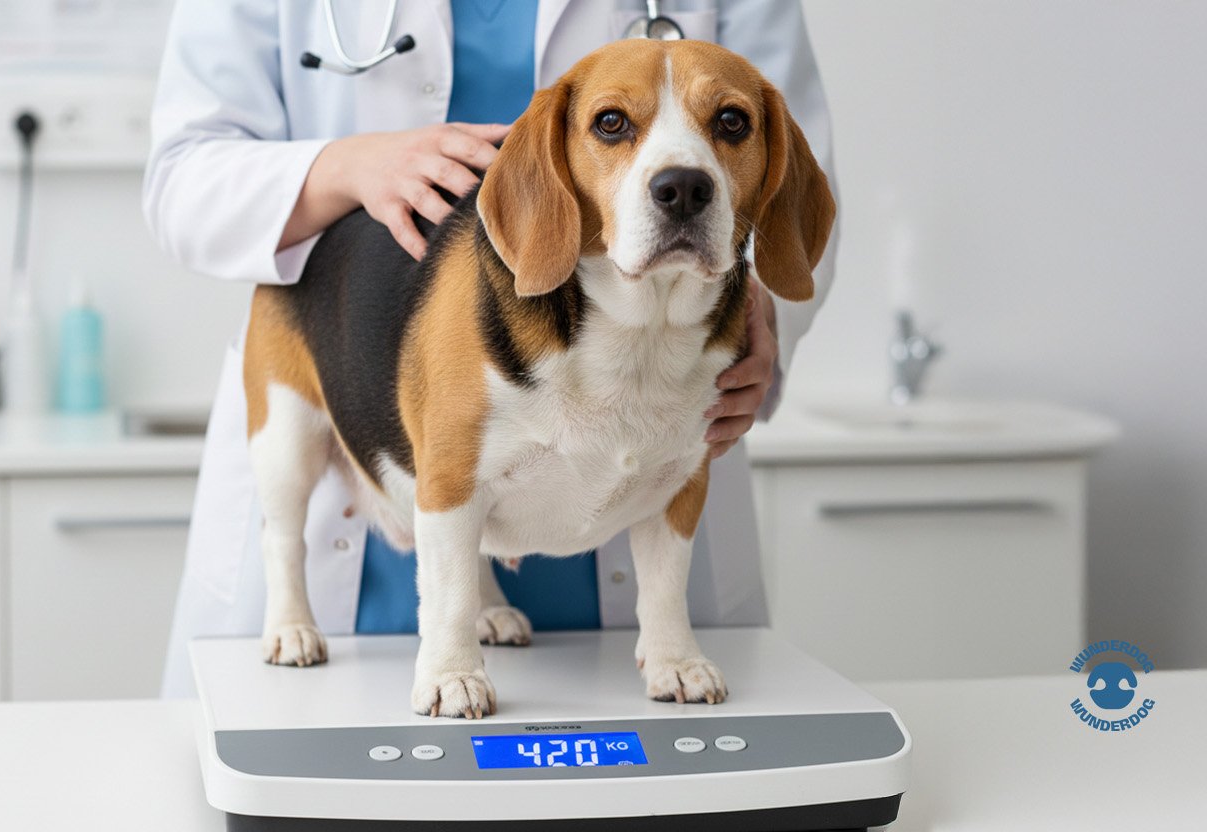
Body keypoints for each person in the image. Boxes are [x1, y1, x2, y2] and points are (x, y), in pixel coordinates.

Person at [145, 0, 837, 698]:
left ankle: (651, 635)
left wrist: (763, 320)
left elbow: (801, 190)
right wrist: (341, 166)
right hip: (363, 414)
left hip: (653, 431)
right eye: (613, 124)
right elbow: (180, 174)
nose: (683, 172)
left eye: (726, 124)